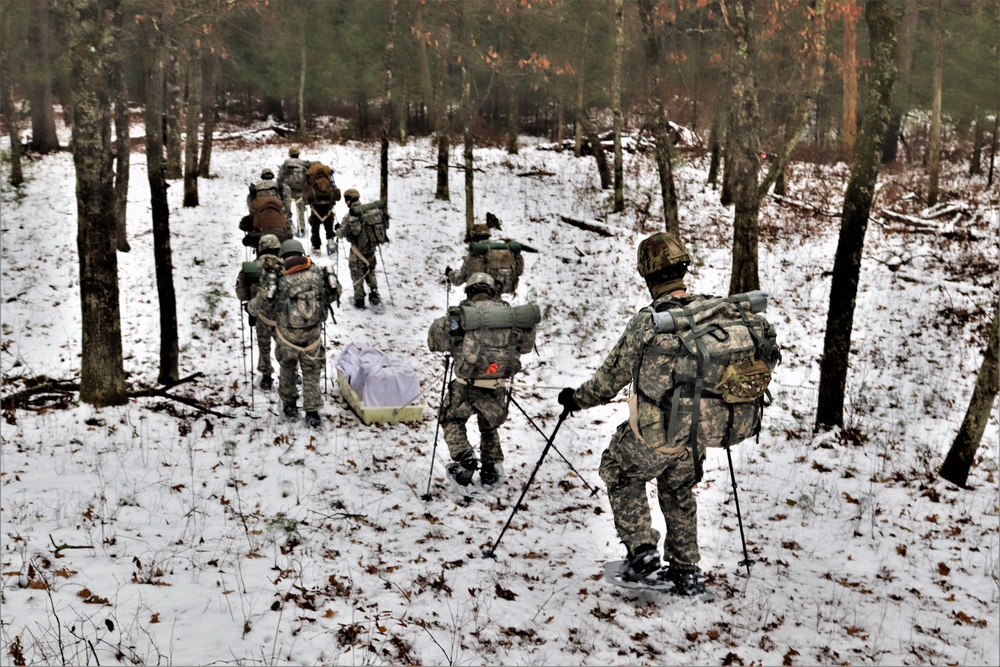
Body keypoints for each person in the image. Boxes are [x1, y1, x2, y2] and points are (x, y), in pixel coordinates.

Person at [557, 232, 780, 596]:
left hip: (656, 432)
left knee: (618, 469)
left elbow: (608, 380)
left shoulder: (650, 322)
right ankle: (686, 570)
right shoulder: (713, 312)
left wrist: (576, 399)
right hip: (696, 432)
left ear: (647, 276)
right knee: (678, 490)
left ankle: (642, 549)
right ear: (683, 268)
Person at [427, 273, 539, 488]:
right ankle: (491, 467)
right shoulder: (509, 317)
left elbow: (433, 342)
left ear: (469, 291)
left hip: (465, 385)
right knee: (489, 424)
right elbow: (524, 347)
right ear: (492, 292)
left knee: (452, 419)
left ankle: (464, 456)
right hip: (496, 382)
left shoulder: (460, 316)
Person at [248, 239, 341, 429]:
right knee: (312, 371)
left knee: (287, 368)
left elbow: (264, 303)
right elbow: (334, 293)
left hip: (287, 337)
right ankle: (313, 413)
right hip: (312, 336)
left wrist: (250, 309)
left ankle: (290, 406)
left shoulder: (278, 277)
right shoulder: (316, 273)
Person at [235, 234, 283, 390]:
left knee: (264, 346)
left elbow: (241, 293)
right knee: (286, 345)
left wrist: (250, 303)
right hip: (284, 315)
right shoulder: (286, 266)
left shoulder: (250, 268)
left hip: (261, 314)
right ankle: (292, 373)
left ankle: (266, 376)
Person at [336, 188, 387, 310]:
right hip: (371, 250)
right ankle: (374, 290)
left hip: (357, 252)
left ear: (349, 200)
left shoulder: (350, 216)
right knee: (370, 270)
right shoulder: (371, 212)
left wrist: (337, 229)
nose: (345, 202)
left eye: (346, 200)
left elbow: (340, 234)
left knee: (357, 275)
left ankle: (359, 300)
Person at [445, 221, 525, 295]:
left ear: (474, 237)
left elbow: (458, 280)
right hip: (499, 294)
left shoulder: (475, 255)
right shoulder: (506, 251)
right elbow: (519, 271)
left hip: (479, 298)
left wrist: (450, 273)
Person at [242, 168, 293, 249]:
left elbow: (251, 207)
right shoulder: (281, 186)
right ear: (272, 176)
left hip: (260, 224)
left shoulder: (255, 188)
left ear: (262, 177)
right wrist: (284, 212)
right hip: (279, 222)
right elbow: (287, 202)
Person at [279, 147, 312, 237]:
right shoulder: (303, 163)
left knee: (286, 209)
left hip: (287, 190)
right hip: (300, 191)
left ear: (290, 154)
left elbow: (280, 177)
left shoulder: (286, 163)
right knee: (300, 210)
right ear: (298, 154)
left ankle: (288, 226)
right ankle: (301, 228)